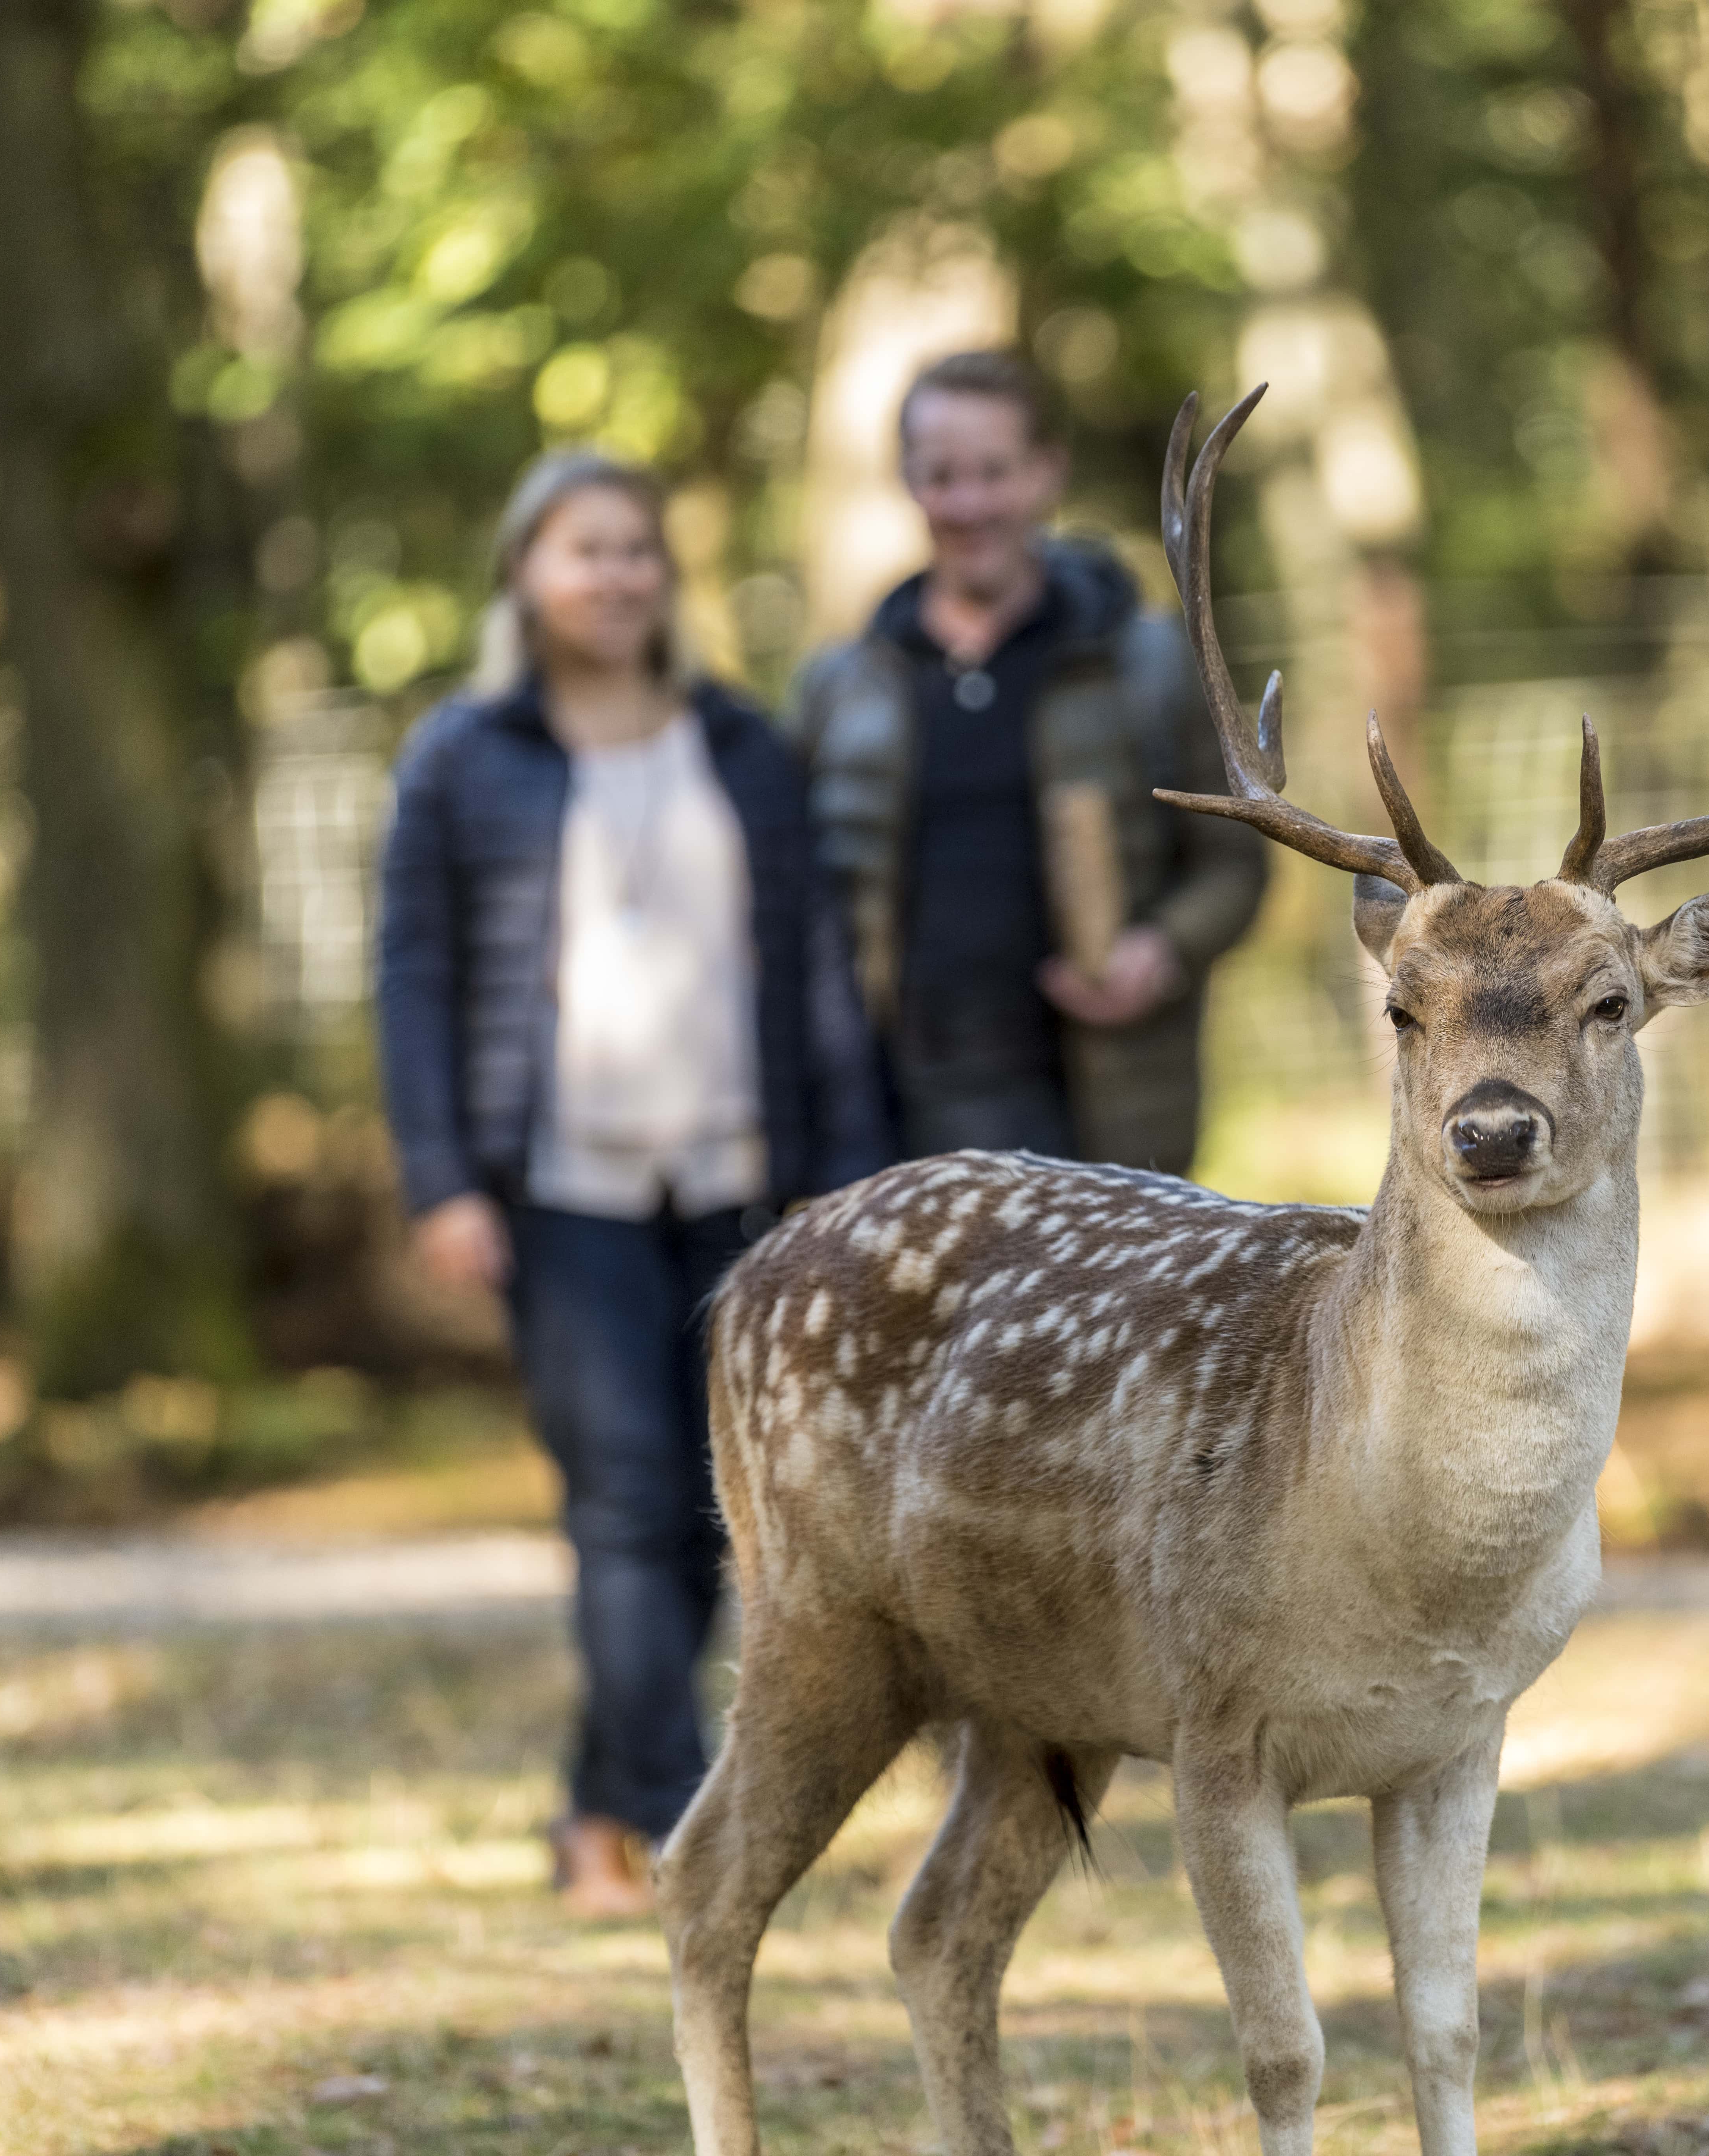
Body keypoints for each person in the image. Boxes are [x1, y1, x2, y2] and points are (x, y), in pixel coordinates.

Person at [375, 450, 889, 1917]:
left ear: (667, 574)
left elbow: (810, 967)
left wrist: (842, 1183)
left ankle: (594, 1812)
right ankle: (672, 1828)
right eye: (581, 552)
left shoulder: (738, 742)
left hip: (737, 1179)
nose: (613, 576)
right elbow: (413, 978)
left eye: (635, 551)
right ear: (525, 576)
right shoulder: (466, 756)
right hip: (556, 1184)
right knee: (625, 1498)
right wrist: (439, 1181)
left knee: (714, 1514)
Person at [786, 351, 1267, 1175]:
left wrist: (1162, 950)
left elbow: (1234, 865)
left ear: (1047, 474)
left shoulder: (1146, 662)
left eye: (994, 472)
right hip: (897, 1121)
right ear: (908, 480)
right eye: (942, 475)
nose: (968, 502)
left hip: (1099, 1113)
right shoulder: (842, 685)